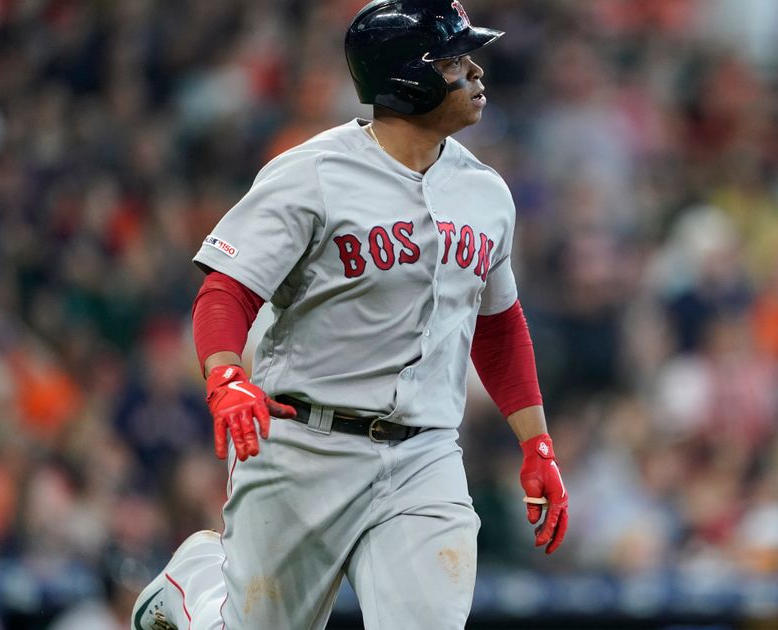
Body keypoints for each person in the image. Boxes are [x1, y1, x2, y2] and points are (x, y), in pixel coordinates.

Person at [130, 1, 569, 628]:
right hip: (306, 444)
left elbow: (497, 324)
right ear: (409, 79)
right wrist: (225, 375)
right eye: (452, 59)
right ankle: (198, 584)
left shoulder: (486, 192)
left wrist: (537, 443)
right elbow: (228, 288)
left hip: (425, 456)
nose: (474, 71)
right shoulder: (312, 174)